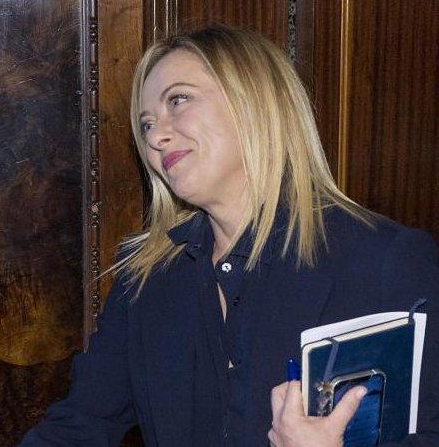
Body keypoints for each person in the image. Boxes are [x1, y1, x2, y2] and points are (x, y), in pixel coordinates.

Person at [22, 25, 439, 445]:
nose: (155, 136)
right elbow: (79, 426)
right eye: (146, 123)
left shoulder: (387, 261)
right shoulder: (144, 280)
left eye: (178, 100)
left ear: (256, 104)